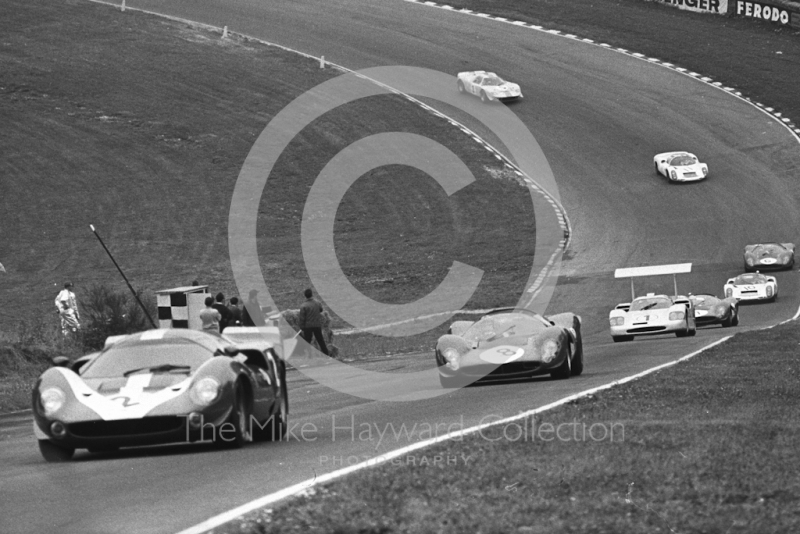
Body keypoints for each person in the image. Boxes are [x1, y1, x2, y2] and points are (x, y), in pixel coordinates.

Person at [298, 288, 329, 356]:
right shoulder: (317, 302)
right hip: (317, 325)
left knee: (307, 341)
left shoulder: (303, 305)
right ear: (312, 294)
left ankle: (309, 356)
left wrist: (302, 327)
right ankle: (326, 354)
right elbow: (321, 310)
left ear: (305, 296)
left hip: (308, 326)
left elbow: (302, 318)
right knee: (320, 340)